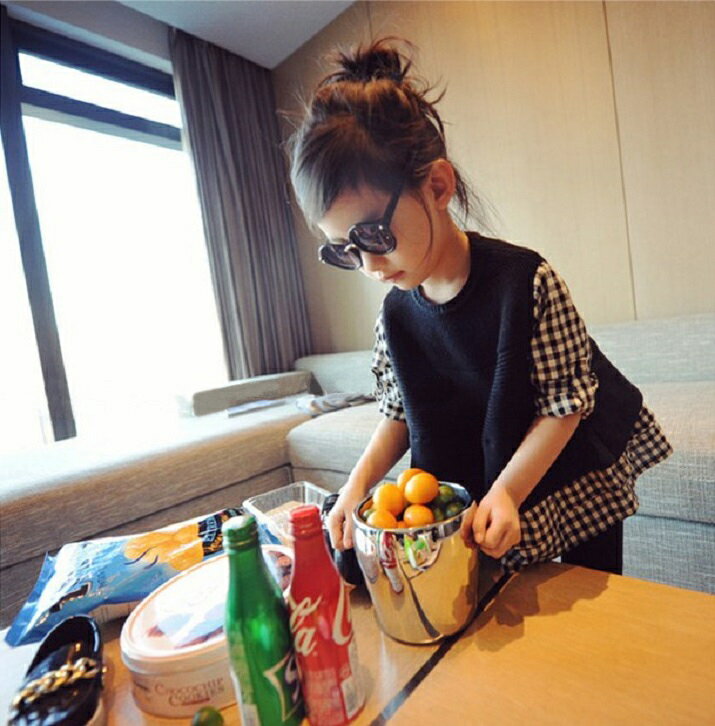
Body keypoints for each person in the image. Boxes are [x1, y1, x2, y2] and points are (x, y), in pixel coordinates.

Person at [285, 36, 673, 575]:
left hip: (573, 456)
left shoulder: (527, 282)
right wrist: (356, 486)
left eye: (373, 234)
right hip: (497, 453)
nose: (369, 266)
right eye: (344, 250)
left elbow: (565, 406)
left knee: (593, 587)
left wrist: (508, 491)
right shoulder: (394, 316)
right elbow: (398, 412)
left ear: (438, 186)